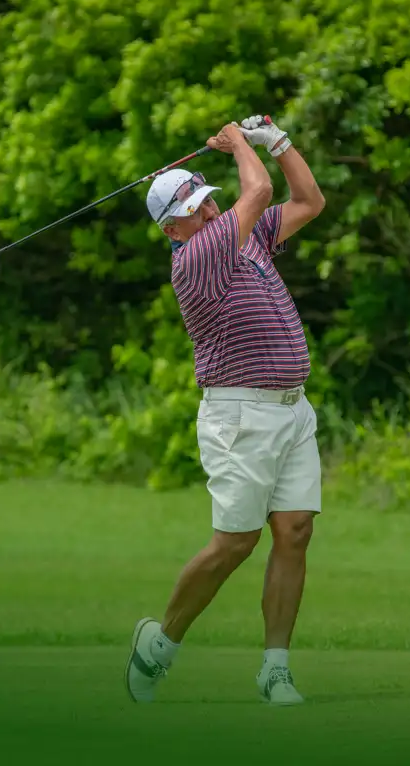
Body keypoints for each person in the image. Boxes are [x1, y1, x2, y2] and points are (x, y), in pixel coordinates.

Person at [126, 115, 326, 706]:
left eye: (211, 200)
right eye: (197, 208)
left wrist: (278, 142)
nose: (212, 210)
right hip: (240, 417)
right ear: (172, 228)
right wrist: (237, 140)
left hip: (292, 410)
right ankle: (160, 644)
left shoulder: (247, 237)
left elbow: (308, 201)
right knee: (235, 543)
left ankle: (275, 670)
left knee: (295, 530)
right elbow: (257, 190)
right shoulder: (196, 258)